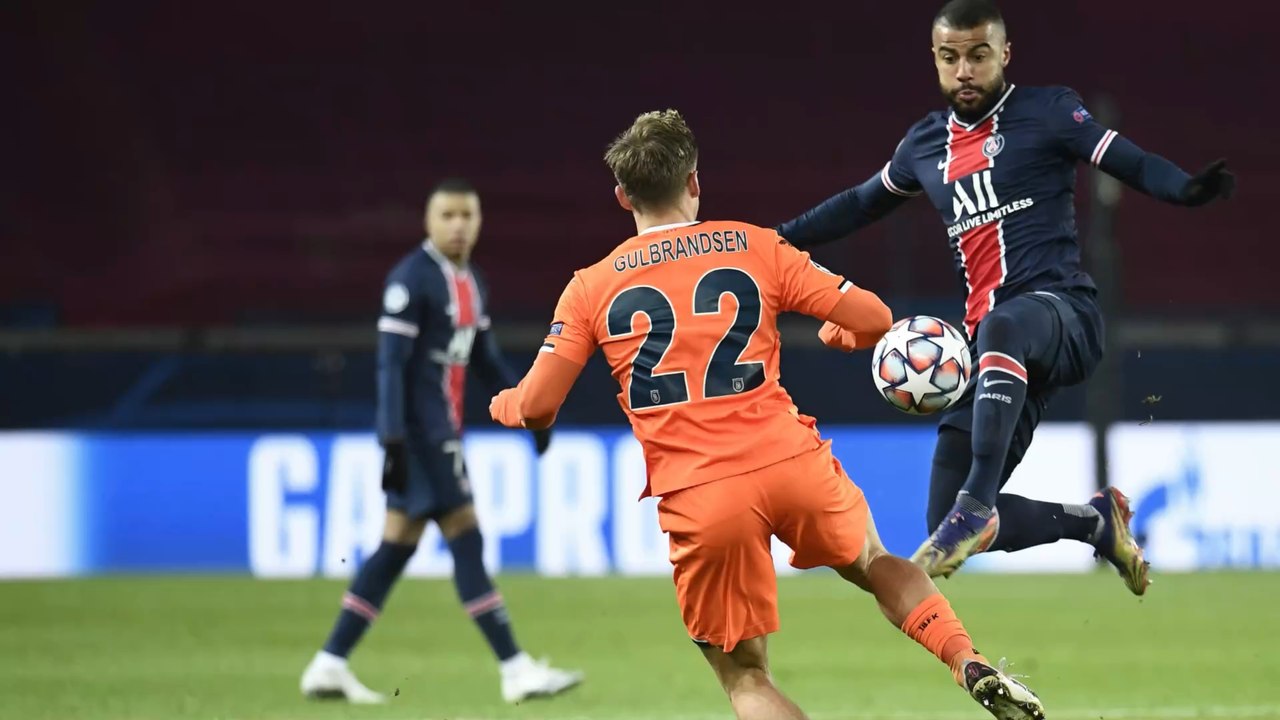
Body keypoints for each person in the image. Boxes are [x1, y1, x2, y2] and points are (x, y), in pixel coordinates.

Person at [489, 109, 1046, 720]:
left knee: (746, 677)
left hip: (700, 493)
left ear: (622, 195)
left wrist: (505, 404)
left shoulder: (591, 288)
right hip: (788, 460)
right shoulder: (753, 245)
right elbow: (873, 317)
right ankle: (966, 659)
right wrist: (842, 333)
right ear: (695, 182)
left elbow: (538, 403)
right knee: (875, 561)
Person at [776, 0, 1234, 588]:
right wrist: (774, 239)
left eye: (978, 55)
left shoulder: (1048, 111)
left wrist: (1185, 189)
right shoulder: (923, 147)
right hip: (996, 354)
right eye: (950, 57)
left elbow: (1127, 159)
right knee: (939, 516)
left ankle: (976, 506)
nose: (964, 69)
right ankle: (1095, 524)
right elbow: (860, 204)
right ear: (936, 60)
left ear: (1004, 55)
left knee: (1003, 339)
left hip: (1063, 315)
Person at [300, 178, 583, 704]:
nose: (458, 225)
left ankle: (329, 662)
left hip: (439, 434)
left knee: (394, 549)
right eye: (447, 215)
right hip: (422, 436)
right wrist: (391, 440)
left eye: (467, 215)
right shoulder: (411, 280)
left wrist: (533, 413)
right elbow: (389, 365)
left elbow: (485, 360)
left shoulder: (470, 280)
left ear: (479, 222)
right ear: (428, 222)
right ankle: (515, 669)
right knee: (466, 536)